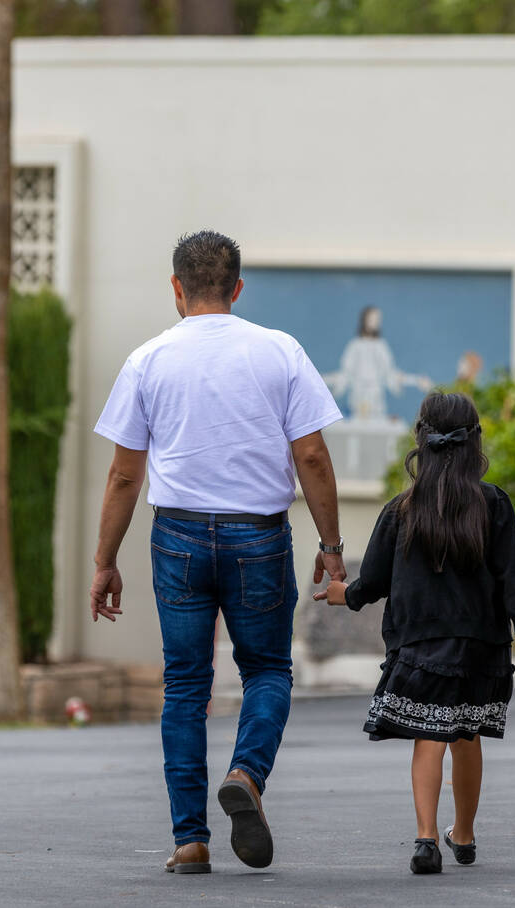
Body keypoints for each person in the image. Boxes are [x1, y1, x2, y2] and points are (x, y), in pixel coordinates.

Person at [90, 230, 347, 874]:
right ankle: (246, 774)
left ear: (176, 288)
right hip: (258, 535)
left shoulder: (147, 359)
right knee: (266, 670)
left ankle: (190, 840)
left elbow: (124, 475)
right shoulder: (280, 351)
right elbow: (311, 455)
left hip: (175, 536)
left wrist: (104, 561)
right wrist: (333, 547)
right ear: (236, 289)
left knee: (184, 687)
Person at [315, 390, 515, 875]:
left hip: (419, 644)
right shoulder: (493, 503)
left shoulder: (403, 509)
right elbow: (514, 574)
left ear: (421, 439)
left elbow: (373, 580)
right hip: (480, 645)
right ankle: (462, 834)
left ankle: (425, 838)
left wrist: (344, 594)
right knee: (467, 735)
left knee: (429, 736)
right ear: (474, 442)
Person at [322, 305, 432, 422]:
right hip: (357, 399)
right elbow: (344, 375)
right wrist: (323, 380)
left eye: (378, 320)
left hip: (376, 401)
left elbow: (391, 375)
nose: (376, 323)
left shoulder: (381, 346)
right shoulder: (355, 346)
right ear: (364, 320)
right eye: (373, 319)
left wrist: (416, 380)